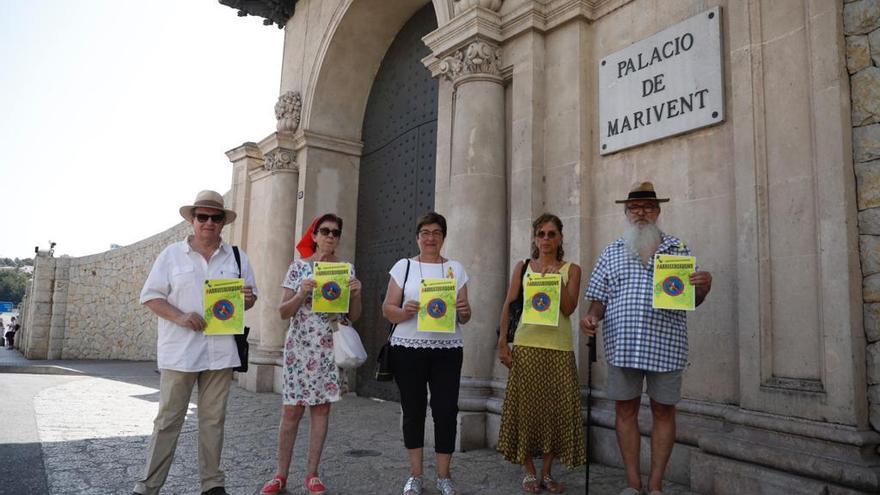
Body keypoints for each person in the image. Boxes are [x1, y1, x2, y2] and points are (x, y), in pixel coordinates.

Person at [579, 182, 712, 495]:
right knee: (624, 411)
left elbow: (691, 299)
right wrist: (591, 317)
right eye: (634, 208)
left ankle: (655, 486)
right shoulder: (611, 252)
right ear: (626, 212)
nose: (641, 213)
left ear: (658, 212)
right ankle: (633, 484)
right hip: (623, 346)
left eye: (648, 207)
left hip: (666, 345)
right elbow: (598, 300)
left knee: (663, 411)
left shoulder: (678, 249)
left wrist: (703, 286)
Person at [133, 190, 258, 495]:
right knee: (167, 421)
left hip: (220, 353)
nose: (209, 223)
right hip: (181, 353)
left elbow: (251, 297)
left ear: (222, 222)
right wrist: (179, 317)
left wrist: (249, 299)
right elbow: (150, 296)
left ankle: (213, 485)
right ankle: (148, 486)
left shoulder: (237, 257)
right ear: (192, 220)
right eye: (202, 216)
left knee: (214, 421)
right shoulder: (171, 255)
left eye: (215, 217)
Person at [260, 214, 363, 495]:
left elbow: (353, 317)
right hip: (300, 348)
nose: (331, 236)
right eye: (325, 231)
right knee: (291, 411)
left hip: (329, 347)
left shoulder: (346, 270)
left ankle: (312, 474)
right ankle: (280, 474)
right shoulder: (298, 269)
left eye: (336, 232)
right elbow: (283, 312)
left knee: (321, 409)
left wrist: (357, 294)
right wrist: (301, 293)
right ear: (314, 236)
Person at [381, 212, 472, 495]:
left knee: (446, 411)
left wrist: (465, 312)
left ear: (443, 237)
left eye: (436, 232)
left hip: (447, 349)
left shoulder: (455, 269)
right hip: (408, 348)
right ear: (417, 237)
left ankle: (444, 476)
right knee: (413, 411)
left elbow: (465, 314)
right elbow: (387, 309)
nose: (430, 237)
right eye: (425, 232)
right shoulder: (403, 266)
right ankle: (416, 475)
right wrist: (403, 310)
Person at [497, 213, 586, 493]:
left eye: (551, 234)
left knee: (555, 411)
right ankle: (528, 471)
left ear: (560, 238)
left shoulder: (572, 269)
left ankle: (547, 473)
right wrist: (502, 342)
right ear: (535, 238)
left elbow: (570, 308)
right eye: (541, 234)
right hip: (526, 345)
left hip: (559, 348)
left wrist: (556, 282)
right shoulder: (523, 267)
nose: (546, 239)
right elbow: (509, 304)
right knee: (525, 409)